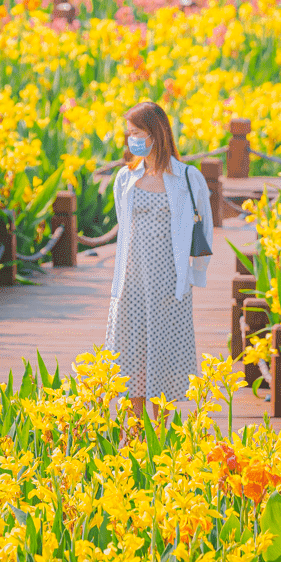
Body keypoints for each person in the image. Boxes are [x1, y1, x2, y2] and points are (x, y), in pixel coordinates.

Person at [105, 101, 214, 419]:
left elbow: (203, 226)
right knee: (131, 356)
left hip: (169, 281)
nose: (131, 139)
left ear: (156, 132)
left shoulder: (188, 178)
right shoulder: (125, 179)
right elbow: (124, 229)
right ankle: (135, 435)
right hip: (131, 282)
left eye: (137, 132)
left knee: (164, 356)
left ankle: (161, 436)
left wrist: (196, 276)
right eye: (129, 133)